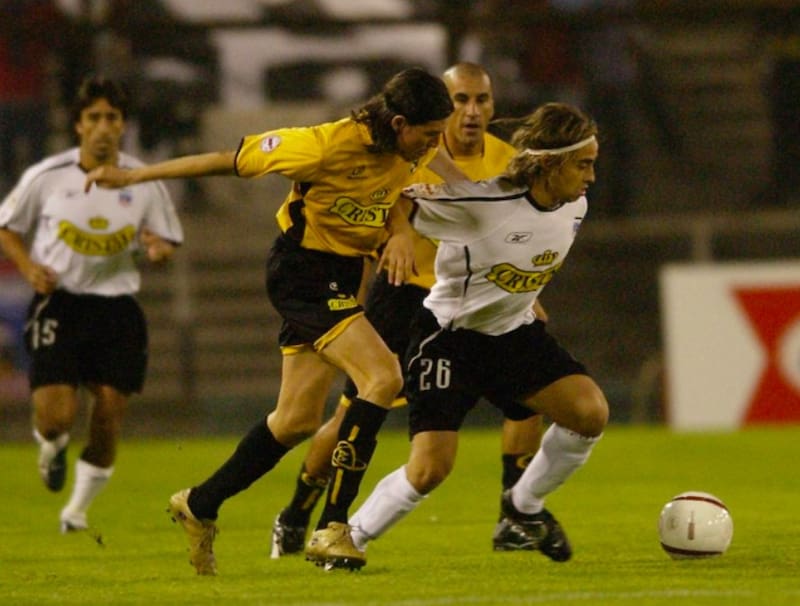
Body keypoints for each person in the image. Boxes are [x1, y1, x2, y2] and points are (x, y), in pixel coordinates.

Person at [84, 67, 457, 575]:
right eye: (430, 134)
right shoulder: (321, 146)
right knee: (382, 376)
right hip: (302, 272)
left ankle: (200, 503)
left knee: (296, 420)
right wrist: (133, 177)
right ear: (398, 123)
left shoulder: (409, 148)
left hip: (343, 274)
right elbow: (226, 160)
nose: (435, 144)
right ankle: (334, 527)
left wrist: (399, 232)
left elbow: (392, 193)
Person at [270, 62, 546, 559]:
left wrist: (527, 293)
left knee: (531, 390)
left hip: (474, 301)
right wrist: (392, 238)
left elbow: (511, 236)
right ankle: (296, 512)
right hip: (405, 297)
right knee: (352, 415)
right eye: (460, 100)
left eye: (482, 100)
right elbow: (382, 199)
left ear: (493, 106)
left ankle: (514, 515)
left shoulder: (508, 164)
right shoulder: (412, 148)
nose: (471, 111)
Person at [346, 102, 609, 566]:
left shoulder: (576, 206)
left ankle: (523, 507)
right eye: (583, 165)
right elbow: (397, 199)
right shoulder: (482, 205)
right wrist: (401, 234)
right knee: (430, 470)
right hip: (450, 338)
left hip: (513, 335)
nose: (591, 177)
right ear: (550, 164)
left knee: (589, 413)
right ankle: (350, 538)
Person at [0, 75, 183, 533]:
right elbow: (6, 226)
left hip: (117, 308)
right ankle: (52, 447)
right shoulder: (47, 176)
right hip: (59, 304)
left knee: (108, 416)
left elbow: (165, 242)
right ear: (79, 125)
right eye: (94, 117)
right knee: (56, 418)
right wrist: (28, 268)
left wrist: (158, 250)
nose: (103, 126)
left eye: (112, 117)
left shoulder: (144, 181)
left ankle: (76, 511)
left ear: (122, 125)